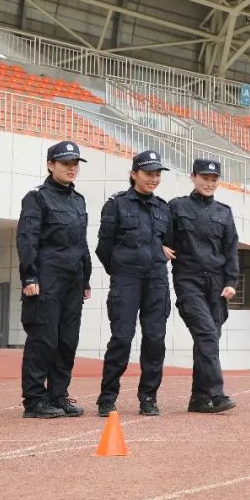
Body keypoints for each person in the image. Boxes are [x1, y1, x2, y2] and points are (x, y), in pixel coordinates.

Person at [17, 141, 92, 419]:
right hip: (46, 279)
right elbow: (27, 239)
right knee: (43, 340)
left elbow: (81, 243)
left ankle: (58, 395)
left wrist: (86, 279)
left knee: (67, 341)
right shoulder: (36, 197)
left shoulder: (78, 200)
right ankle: (35, 400)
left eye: (75, 164)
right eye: (65, 164)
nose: (72, 168)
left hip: (73, 281)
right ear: (51, 165)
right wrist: (30, 276)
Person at [96, 150, 173, 417]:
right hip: (126, 280)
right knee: (121, 339)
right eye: (148, 173)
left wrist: (157, 253)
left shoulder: (164, 208)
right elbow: (103, 247)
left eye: (157, 174)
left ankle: (148, 397)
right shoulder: (116, 204)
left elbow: (169, 244)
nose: (153, 179)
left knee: (155, 340)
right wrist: (119, 270)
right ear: (133, 174)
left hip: (156, 281)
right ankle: (107, 398)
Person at [163, 159, 239, 413]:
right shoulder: (176, 207)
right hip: (188, 280)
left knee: (208, 340)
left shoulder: (224, 212)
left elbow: (230, 250)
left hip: (216, 283)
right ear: (193, 177)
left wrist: (231, 281)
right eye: (204, 178)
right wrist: (160, 247)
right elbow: (162, 237)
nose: (209, 183)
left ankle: (198, 399)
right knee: (207, 335)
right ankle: (216, 394)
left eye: (213, 179)